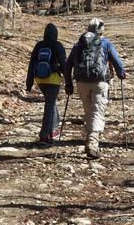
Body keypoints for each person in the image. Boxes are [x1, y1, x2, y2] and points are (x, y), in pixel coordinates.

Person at [65, 18, 126, 159]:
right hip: (100, 82)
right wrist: (121, 73)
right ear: (101, 31)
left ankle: (90, 138)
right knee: (97, 111)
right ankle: (92, 144)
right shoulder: (105, 43)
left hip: (81, 82)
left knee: (89, 111)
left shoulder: (78, 44)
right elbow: (116, 60)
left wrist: (69, 84)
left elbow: (68, 65)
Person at [26, 23, 67, 147]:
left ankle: (53, 130)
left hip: (40, 80)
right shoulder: (58, 45)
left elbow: (32, 64)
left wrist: (29, 83)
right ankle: (44, 136)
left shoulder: (39, 45)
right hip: (53, 80)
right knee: (49, 105)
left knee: (51, 103)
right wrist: (68, 82)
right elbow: (64, 65)